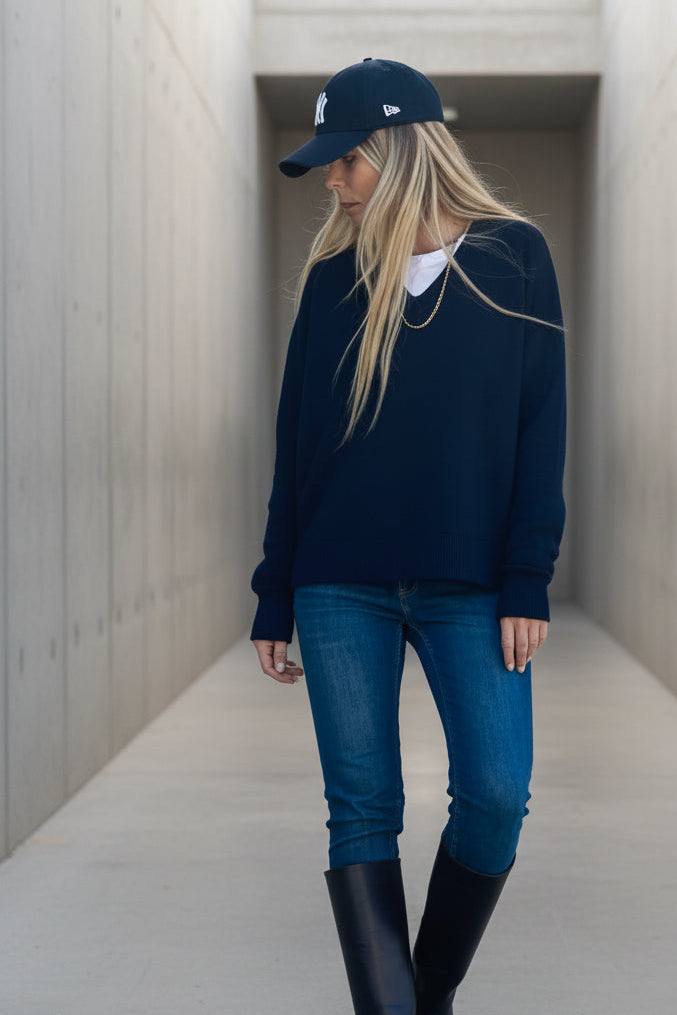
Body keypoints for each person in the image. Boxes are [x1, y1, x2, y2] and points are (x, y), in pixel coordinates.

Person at [250, 57, 566, 1015]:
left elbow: (539, 428)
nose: (333, 183)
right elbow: (296, 445)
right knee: (361, 810)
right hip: (337, 585)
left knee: (496, 796)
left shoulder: (514, 257)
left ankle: (423, 991)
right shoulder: (333, 284)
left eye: (345, 161)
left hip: (472, 585)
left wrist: (527, 577)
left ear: (395, 151)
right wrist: (274, 589)